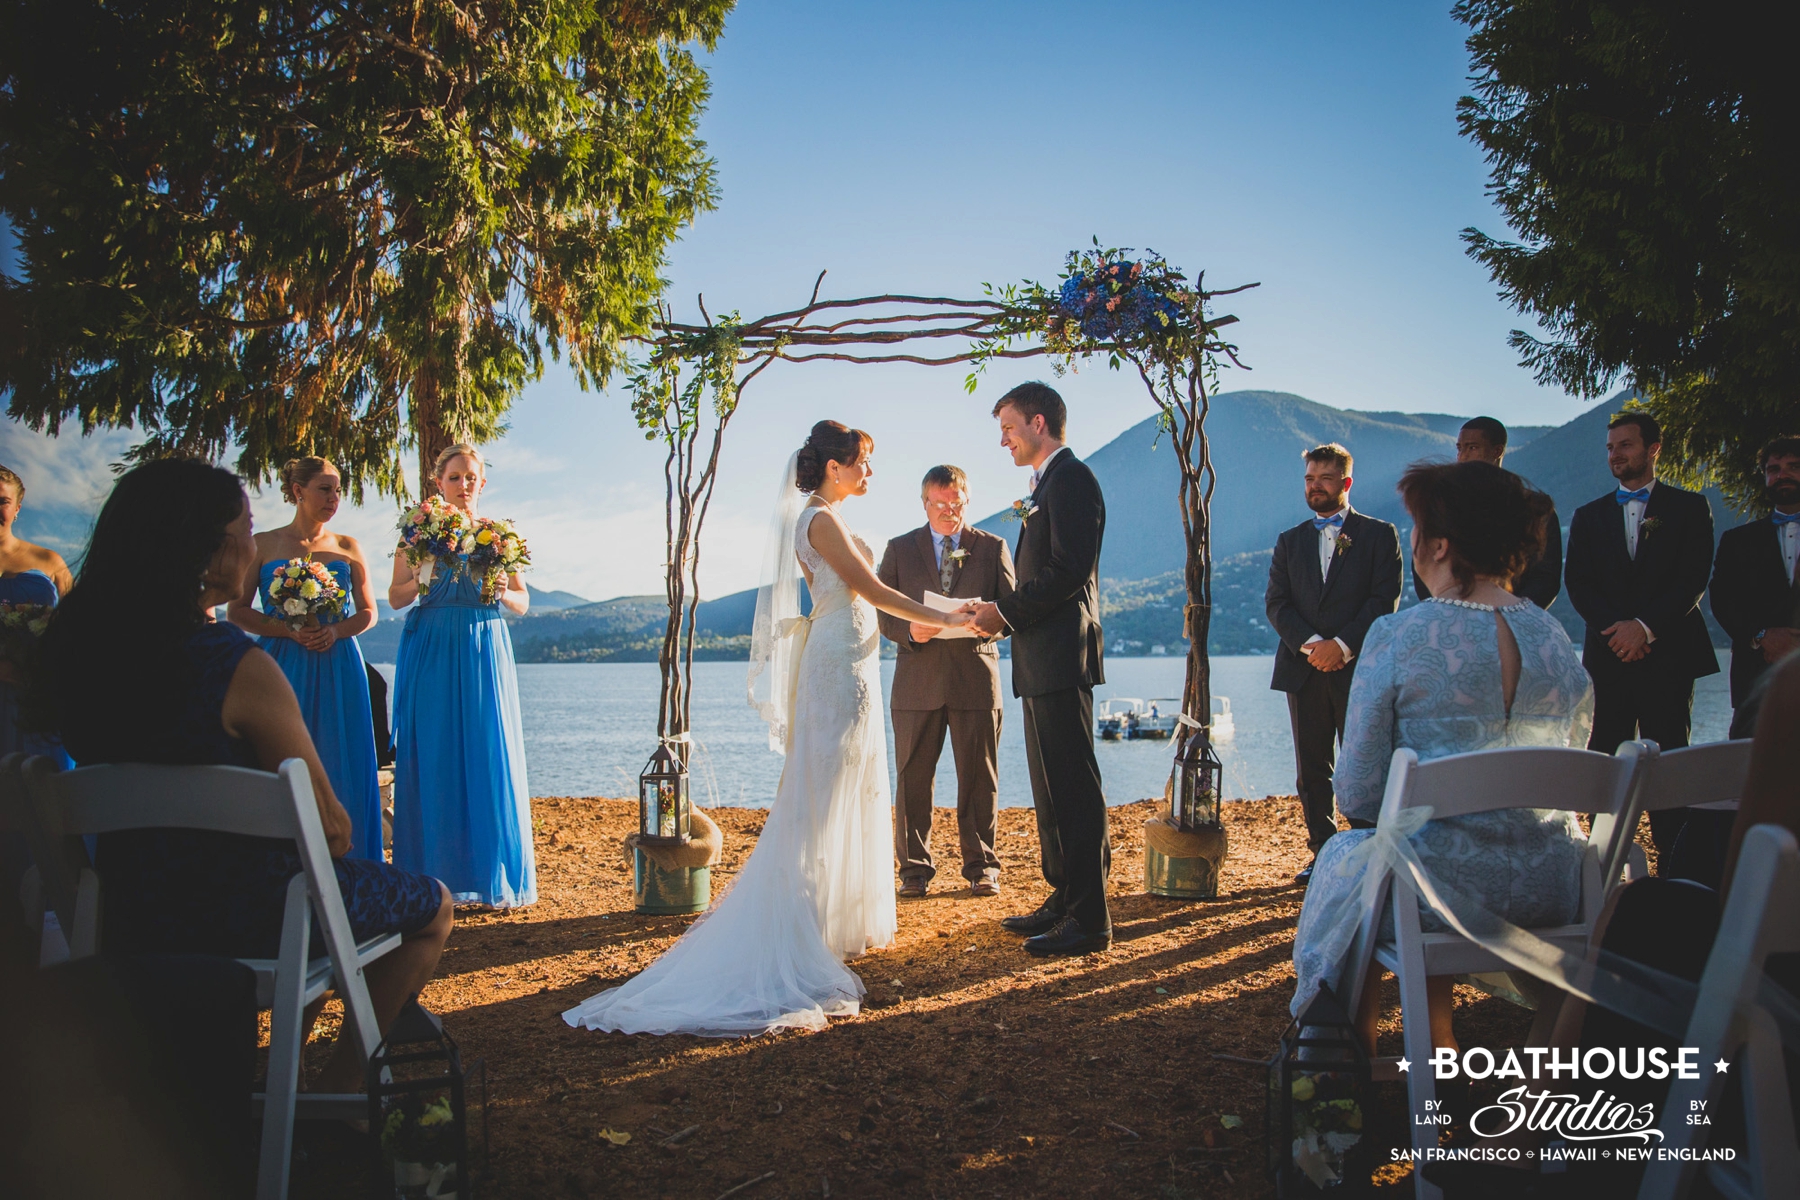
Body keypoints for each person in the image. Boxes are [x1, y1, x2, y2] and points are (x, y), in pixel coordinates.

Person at [29, 458, 452, 1095]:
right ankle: (333, 1090)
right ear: (211, 549)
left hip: (127, 914)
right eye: (246, 527)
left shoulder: (77, 658)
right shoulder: (233, 666)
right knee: (431, 906)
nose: (254, 544)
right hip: (248, 919)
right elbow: (333, 833)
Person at [562, 422, 974, 1036]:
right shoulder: (819, 521)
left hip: (852, 659)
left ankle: (834, 920)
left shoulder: (823, 514)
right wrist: (948, 619)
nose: (870, 473)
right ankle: (799, 924)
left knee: (847, 786)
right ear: (834, 467)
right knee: (822, 790)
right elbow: (874, 590)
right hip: (837, 662)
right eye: (863, 462)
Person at [1289, 460, 1591, 1058]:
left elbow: (1357, 795)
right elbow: (1574, 763)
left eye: (1417, 528)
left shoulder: (1399, 635)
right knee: (1403, 850)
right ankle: (1504, 1062)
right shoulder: (1556, 638)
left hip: (1439, 889)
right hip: (1551, 882)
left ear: (1441, 544)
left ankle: (1347, 1063)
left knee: (1359, 858)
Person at [969, 382, 1113, 957]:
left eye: (1006, 427)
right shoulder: (1046, 484)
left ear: (1036, 422)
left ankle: (1092, 919)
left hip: (1061, 656)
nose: (1002, 440)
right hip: (1039, 656)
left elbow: (1068, 571)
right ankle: (1066, 896)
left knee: (1074, 787)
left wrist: (1002, 611)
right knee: (1050, 789)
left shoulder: (1073, 479)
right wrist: (1000, 615)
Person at [1564, 412, 1720, 853]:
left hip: (1668, 655)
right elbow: (1578, 583)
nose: (1616, 454)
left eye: (1626, 445)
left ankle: (1674, 862)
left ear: (1653, 449)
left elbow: (1692, 579)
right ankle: (1599, 863)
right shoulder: (1589, 515)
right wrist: (1617, 633)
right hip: (1608, 656)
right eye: (1611, 447)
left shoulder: (1690, 508)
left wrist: (1645, 629)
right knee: (1603, 761)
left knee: (1670, 760)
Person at [388, 444, 535, 907]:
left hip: (482, 645)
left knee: (486, 749)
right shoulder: (416, 532)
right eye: (455, 477)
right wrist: (424, 577)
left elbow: (523, 601)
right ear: (439, 482)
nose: (464, 485)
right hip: (431, 646)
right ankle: (429, 876)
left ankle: (489, 872)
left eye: (471, 477)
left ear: (482, 483)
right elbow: (395, 597)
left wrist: (501, 592)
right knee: (433, 752)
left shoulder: (498, 535)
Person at [227, 456, 383, 860]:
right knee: (284, 753)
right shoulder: (264, 544)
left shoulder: (349, 547)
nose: (334, 498)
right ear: (298, 492)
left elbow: (368, 613)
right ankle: (281, 861)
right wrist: (288, 631)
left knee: (341, 754)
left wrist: (333, 630)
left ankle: (351, 861)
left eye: (338, 490)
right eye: (324, 488)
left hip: (339, 664)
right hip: (282, 664)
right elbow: (237, 611)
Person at [1265, 443, 1404, 883]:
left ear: (1345, 483)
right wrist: (1312, 646)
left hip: (1359, 667)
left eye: (1324, 479)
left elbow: (1385, 600)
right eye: (1309, 478)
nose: (1314, 486)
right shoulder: (1290, 541)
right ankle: (1322, 851)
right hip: (1303, 670)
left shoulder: (1380, 535)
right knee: (1311, 767)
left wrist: (1342, 646)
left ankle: (1367, 848)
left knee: (1363, 760)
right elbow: (1277, 604)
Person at [877, 464, 1015, 899]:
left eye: (956, 504)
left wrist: (990, 622)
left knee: (979, 777)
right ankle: (913, 871)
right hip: (917, 679)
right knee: (913, 778)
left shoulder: (993, 548)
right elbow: (880, 611)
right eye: (940, 504)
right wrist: (908, 631)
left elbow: (1013, 611)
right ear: (924, 503)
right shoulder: (899, 550)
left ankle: (981, 867)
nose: (948, 512)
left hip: (975, 677)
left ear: (967, 501)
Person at [1412, 416, 1562, 609]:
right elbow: (1423, 565)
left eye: (1472, 447)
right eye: (1460, 448)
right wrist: (1445, 611)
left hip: (1515, 619)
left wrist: (1513, 614)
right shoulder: (1443, 506)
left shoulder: (1535, 508)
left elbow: (1545, 578)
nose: (1463, 456)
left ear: (1497, 451)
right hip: (1450, 620)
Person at [1708, 435, 1800, 738]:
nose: (1781, 474)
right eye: (1773, 469)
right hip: (1754, 684)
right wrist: (1761, 635)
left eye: (1792, 466)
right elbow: (1722, 600)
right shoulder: (1737, 541)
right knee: (1746, 775)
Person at [0, 462, 73, 765]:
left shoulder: (49, 560)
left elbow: (77, 623)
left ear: (17, 507)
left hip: (38, 694)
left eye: (3, 501)